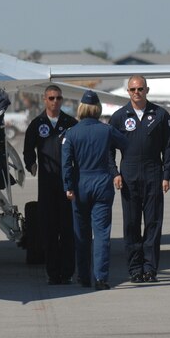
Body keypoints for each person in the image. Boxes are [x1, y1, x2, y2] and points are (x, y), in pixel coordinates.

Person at [110, 75, 170, 283]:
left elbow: (169, 147)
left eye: (140, 89)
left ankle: (150, 268)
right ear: (127, 92)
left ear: (147, 90)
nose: (136, 93)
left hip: (153, 171)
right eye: (132, 90)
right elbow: (109, 148)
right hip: (128, 174)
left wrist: (166, 175)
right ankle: (135, 269)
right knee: (131, 223)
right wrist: (115, 173)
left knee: (153, 223)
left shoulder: (160, 115)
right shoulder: (119, 117)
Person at [61, 90, 127, 290]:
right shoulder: (106, 130)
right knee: (101, 234)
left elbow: (66, 164)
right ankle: (101, 278)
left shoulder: (71, 133)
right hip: (102, 183)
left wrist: (68, 187)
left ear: (81, 109)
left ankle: (83, 276)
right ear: (97, 109)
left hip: (81, 184)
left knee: (81, 234)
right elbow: (126, 144)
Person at [23, 85, 79, 284]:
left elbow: (80, 150)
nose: (55, 101)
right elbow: (28, 148)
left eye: (58, 98)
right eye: (51, 98)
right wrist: (31, 164)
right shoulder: (37, 124)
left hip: (67, 185)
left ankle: (68, 272)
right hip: (46, 184)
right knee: (49, 230)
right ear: (45, 100)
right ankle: (53, 273)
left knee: (67, 230)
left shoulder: (71, 123)